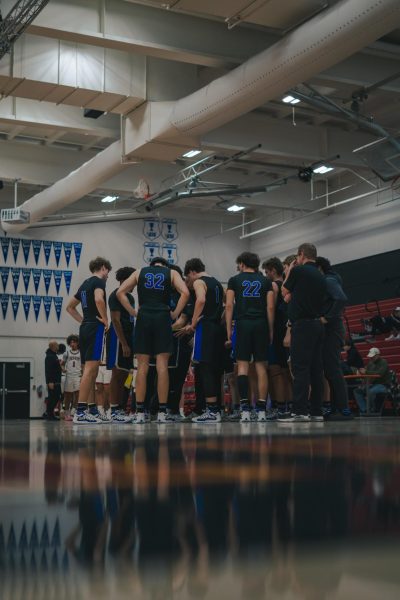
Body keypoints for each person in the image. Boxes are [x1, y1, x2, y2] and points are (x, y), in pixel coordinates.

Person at [117, 257, 189, 424]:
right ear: (165, 265)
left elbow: (120, 292)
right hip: (163, 317)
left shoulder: (139, 272)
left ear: (151, 265)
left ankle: (141, 412)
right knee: (162, 365)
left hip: (144, 317)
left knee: (142, 366)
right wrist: (174, 313)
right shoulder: (171, 273)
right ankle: (162, 413)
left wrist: (133, 312)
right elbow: (185, 293)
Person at [278, 243, 327, 423]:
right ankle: (316, 411)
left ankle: (299, 411)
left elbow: (284, 290)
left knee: (300, 369)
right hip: (317, 324)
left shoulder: (299, 271)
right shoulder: (321, 275)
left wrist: (290, 270)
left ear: (301, 255)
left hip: (303, 325)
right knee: (316, 369)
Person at [225, 252, 275, 423]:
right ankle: (261, 410)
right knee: (261, 367)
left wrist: (228, 330)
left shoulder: (234, 280)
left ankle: (245, 409)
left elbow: (230, 305)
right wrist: (270, 329)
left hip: (243, 324)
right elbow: (270, 307)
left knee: (242, 368)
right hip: (261, 323)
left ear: (242, 263)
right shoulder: (266, 281)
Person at [66, 256, 112, 424]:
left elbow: (69, 307)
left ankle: (91, 409)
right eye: (108, 272)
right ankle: (80, 412)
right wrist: (105, 319)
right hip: (95, 327)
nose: (108, 275)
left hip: (85, 327)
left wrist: (83, 320)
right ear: (103, 268)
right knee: (91, 370)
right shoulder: (99, 282)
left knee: (89, 371)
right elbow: (99, 299)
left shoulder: (85, 284)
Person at [183, 258, 224, 423]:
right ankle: (216, 408)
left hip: (205, 327)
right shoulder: (217, 283)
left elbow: (200, 300)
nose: (190, 281)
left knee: (205, 368)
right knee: (215, 370)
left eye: (189, 277)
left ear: (192, 271)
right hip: (217, 328)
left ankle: (212, 411)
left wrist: (193, 324)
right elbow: (225, 307)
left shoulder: (199, 282)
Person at [316, 256, 353, 421]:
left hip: (332, 329)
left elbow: (341, 299)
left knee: (333, 370)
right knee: (330, 371)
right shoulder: (330, 278)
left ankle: (344, 409)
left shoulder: (329, 280)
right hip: (331, 329)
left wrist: (327, 317)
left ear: (319, 268)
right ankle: (337, 407)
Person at [262, 257, 292, 419]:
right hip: (285, 329)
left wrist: (269, 330)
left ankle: (279, 407)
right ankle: (288, 405)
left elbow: (270, 309)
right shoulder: (287, 285)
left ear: (273, 270)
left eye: (266, 272)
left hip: (277, 331)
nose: (266, 275)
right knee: (285, 371)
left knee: (275, 371)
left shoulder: (274, 285)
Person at [106, 266, 136, 423]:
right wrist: (124, 343)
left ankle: (120, 408)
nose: (136, 284)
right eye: (134, 280)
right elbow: (116, 320)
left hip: (129, 338)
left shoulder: (130, 298)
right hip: (118, 338)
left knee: (125, 374)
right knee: (117, 374)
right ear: (125, 279)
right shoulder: (115, 295)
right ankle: (114, 410)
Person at [353, 347, 391, 414]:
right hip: (372, 385)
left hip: (383, 385)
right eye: (371, 357)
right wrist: (360, 372)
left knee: (370, 391)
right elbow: (367, 373)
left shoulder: (383, 362)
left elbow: (380, 373)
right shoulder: (370, 363)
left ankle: (371, 409)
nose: (371, 358)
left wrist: (366, 372)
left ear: (378, 355)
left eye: (373, 356)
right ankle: (365, 409)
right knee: (357, 391)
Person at [62, 334, 81, 421]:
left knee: (77, 394)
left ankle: (74, 412)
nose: (72, 344)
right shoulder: (66, 353)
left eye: (74, 342)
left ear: (77, 343)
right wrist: (63, 369)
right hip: (69, 376)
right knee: (68, 395)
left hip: (78, 375)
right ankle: (66, 413)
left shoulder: (81, 352)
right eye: (71, 342)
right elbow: (62, 364)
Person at [44, 340, 62, 420]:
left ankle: (50, 414)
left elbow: (55, 368)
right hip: (53, 382)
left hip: (56, 381)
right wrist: (49, 382)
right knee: (53, 398)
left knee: (56, 397)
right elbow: (48, 370)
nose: (58, 346)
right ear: (53, 347)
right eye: (57, 345)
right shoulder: (50, 356)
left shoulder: (53, 355)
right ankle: (49, 414)